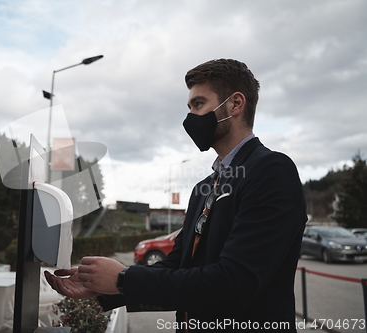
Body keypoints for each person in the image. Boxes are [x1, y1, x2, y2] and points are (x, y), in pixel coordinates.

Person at [45, 59, 307, 332]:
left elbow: (235, 282)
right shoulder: (205, 187)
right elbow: (177, 265)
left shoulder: (271, 170)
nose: (190, 117)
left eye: (199, 104)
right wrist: (104, 285)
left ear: (235, 104)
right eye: (190, 106)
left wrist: (123, 278)